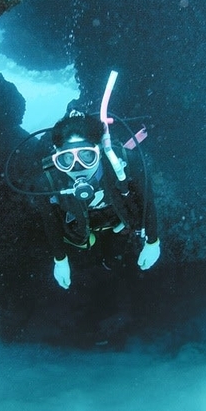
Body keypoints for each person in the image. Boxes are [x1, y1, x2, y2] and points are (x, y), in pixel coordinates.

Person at [37, 111, 161, 289]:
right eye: (67, 158)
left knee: (115, 257)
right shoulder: (48, 182)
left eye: (87, 156)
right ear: (57, 156)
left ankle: (110, 266)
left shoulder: (127, 161)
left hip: (119, 223)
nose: (77, 167)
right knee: (86, 258)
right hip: (81, 231)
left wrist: (153, 241)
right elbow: (51, 222)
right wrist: (60, 260)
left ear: (100, 150)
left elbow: (147, 201)